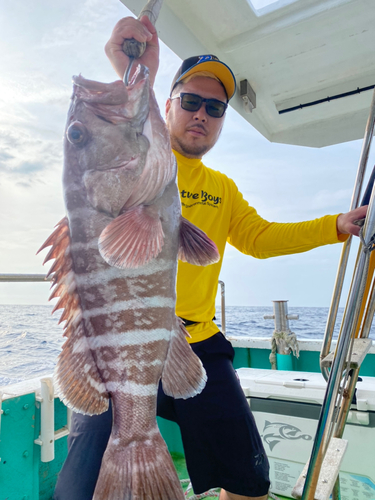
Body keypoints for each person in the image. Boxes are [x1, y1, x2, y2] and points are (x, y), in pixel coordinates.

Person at [53, 15, 367, 500]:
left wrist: (336, 226)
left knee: (249, 480)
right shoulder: (146, 159)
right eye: (192, 102)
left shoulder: (222, 189)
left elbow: (261, 238)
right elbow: (123, 131)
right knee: (78, 490)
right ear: (169, 106)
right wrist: (133, 70)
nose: (202, 114)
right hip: (109, 349)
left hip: (193, 343)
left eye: (215, 108)